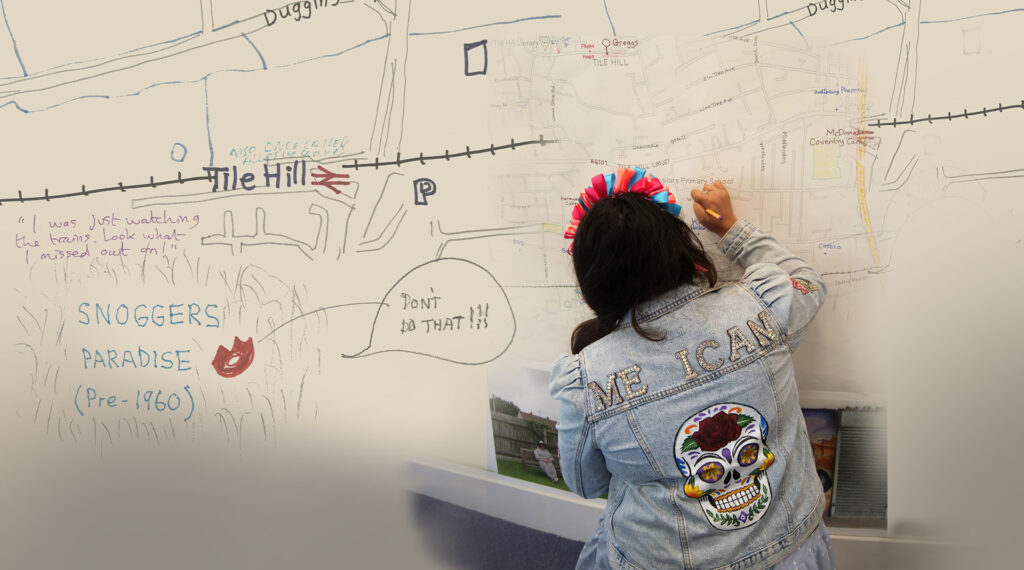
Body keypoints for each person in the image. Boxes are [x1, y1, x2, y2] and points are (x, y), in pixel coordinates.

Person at [550, 170, 835, 569]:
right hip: (790, 552)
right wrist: (732, 229)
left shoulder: (586, 380)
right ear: (682, 248)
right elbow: (808, 281)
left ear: (591, 283)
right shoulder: (762, 306)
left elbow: (586, 483)